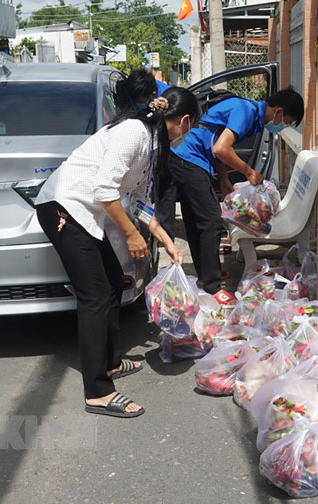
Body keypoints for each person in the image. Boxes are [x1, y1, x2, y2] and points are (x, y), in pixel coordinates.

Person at [34, 87, 201, 418]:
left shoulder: (152, 146)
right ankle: (97, 391)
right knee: (94, 296)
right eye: (192, 126)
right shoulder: (132, 133)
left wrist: (165, 239)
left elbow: (139, 202)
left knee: (113, 282)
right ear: (183, 121)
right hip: (63, 209)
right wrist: (130, 236)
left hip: (85, 215)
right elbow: (105, 190)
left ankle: (109, 363)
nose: (189, 133)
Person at [156, 87, 305, 294]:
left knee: (196, 218)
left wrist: (224, 180)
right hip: (188, 158)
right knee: (211, 221)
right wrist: (249, 172)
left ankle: (206, 275)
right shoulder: (246, 111)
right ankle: (213, 286)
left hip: (185, 156)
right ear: (279, 111)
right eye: (286, 122)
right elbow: (221, 149)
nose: (283, 126)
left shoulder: (250, 114)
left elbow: (216, 141)